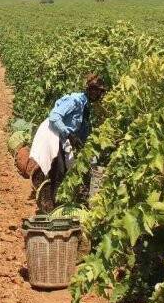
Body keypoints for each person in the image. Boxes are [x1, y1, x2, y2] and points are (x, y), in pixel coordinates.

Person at [29, 74, 107, 213]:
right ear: (89, 89)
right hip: (53, 132)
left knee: (65, 170)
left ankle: (57, 204)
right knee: (59, 171)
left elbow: (83, 134)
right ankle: (54, 208)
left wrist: (89, 152)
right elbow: (54, 116)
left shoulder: (86, 107)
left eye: (99, 92)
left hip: (62, 136)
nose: (97, 94)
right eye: (95, 90)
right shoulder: (75, 100)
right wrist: (69, 134)